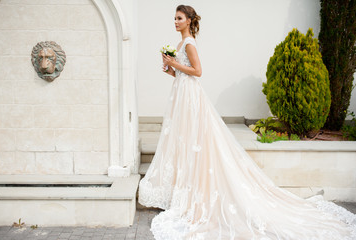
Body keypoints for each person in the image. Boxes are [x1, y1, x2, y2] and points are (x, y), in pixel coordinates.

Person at [138, 4, 356, 240]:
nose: (175, 21)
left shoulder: (189, 43)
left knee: (194, 140)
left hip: (191, 96)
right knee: (184, 139)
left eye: (179, 18)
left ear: (189, 21)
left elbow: (198, 71)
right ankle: (182, 191)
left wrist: (174, 64)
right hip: (180, 93)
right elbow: (182, 73)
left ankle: (194, 194)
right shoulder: (180, 44)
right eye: (174, 18)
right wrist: (170, 70)